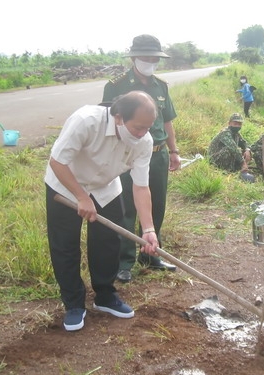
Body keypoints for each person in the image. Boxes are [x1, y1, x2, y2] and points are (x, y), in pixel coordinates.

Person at [45, 91, 160, 332]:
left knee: (108, 242)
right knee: (65, 245)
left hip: (106, 188)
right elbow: (57, 161)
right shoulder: (86, 121)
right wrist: (80, 196)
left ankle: (105, 296)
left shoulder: (144, 141)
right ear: (119, 118)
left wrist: (148, 229)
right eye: (138, 128)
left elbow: (140, 186)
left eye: (147, 128)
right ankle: (74, 304)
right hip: (66, 185)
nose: (142, 134)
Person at [103, 34, 181, 283]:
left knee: (156, 205)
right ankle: (124, 261)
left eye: (154, 57)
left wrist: (174, 151)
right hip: (126, 154)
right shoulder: (116, 85)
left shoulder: (161, 86)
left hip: (157, 154)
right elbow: (108, 121)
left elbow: (167, 120)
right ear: (134, 57)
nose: (150, 61)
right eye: (145, 56)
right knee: (126, 207)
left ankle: (150, 255)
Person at [208, 113, 256, 182]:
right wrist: (243, 163)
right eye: (235, 123)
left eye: (239, 124)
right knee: (230, 150)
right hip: (214, 159)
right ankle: (228, 169)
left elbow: (244, 143)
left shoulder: (236, 134)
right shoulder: (225, 133)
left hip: (224, 157)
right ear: (229, 123)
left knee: (245, 152)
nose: (237, 126)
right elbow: (234, 149)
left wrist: (247, 150)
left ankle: (238, 168)